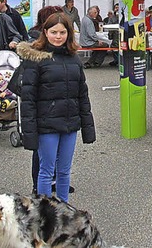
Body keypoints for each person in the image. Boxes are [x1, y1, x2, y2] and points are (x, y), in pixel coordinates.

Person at [16, 12, 96, 202]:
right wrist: (29, 131)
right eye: (54, 32)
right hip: (47, 126)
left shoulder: (74, 59)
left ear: (69, 33)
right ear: (45, 32)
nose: (58, 36)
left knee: (64, 172)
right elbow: (28, 99)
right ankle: (46, 214)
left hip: (69, 124)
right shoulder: (36, 59)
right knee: (46, 171)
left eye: (62, 32)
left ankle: (64, 210)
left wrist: (87, 127)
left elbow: (82, 95)